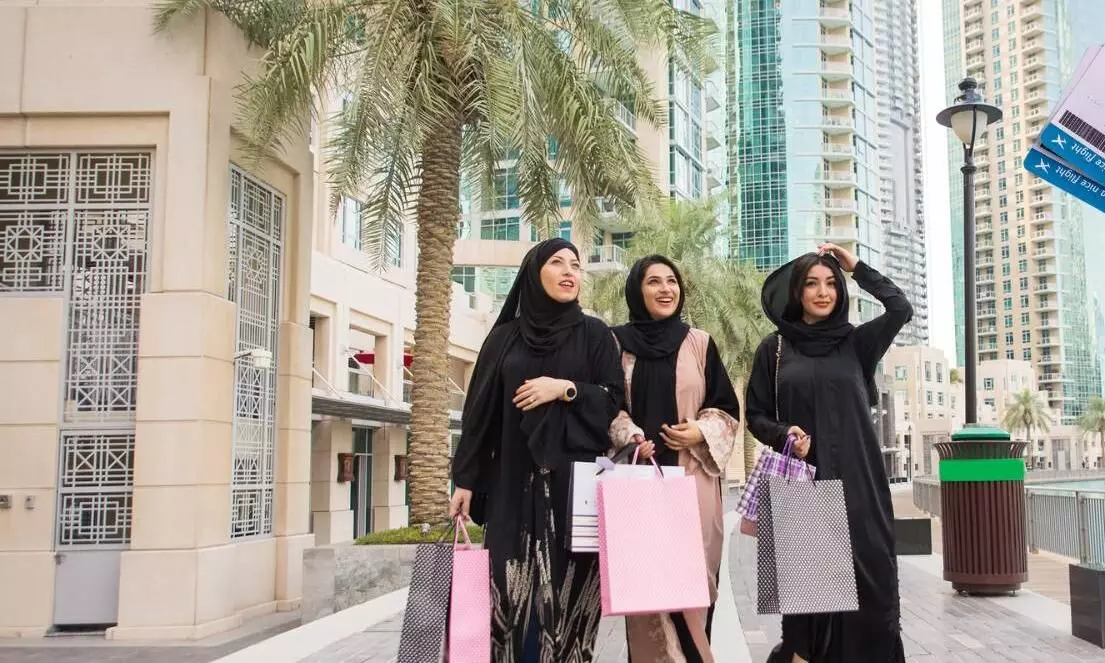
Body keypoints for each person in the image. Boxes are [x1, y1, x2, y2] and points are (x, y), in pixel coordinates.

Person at [449, 238, 625, 663]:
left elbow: (613, 403)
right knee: (509, 599)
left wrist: (564, 389)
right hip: (512, 485)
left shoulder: (595, 335)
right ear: (533, 273)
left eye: (576, 264)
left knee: (567, 608)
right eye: (557, 262)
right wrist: (466, 480)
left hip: (573, 492)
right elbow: (480, 414)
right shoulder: (504, 340)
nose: (570, 271)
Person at [745, 243, 912, 663]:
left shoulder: (857, 343)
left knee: (871, 587)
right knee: (807, 605)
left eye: (831, 284)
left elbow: (900, 309)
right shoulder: (776, 348)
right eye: (811, 284)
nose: (823, 292)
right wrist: (785, 433)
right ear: (796, 292)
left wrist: (857, 268)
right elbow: (757, 415)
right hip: (803, 485)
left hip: (861, 485)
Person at [608, 255, 741, 663]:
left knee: (695, 584)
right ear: (637, 290)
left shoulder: (698, 342)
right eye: (653, 282)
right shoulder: (615, 343)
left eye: (672, 281)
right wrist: (629, 436)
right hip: (638, 483)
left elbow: (726, 408)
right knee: (647, 590)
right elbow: (606, 404)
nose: (666, 289)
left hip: (693, 478)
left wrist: (700, 430)